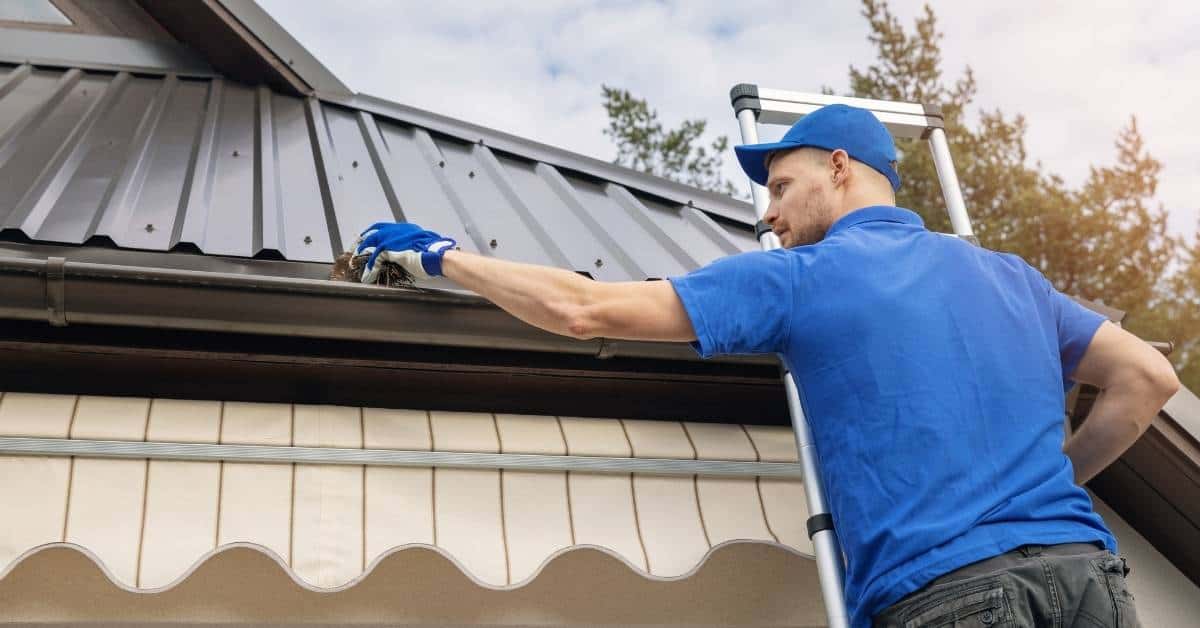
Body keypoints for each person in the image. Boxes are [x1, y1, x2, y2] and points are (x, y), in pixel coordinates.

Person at [352, 104, 1178, 627]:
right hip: (1087, 583)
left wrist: (440, 257)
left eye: (782, 186)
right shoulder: (1011, 276)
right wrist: (1054, 483)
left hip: (950, 595)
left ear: (842, 170)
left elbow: (585, 309)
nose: (770, 215)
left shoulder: (803, 278)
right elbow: (1148, 379)